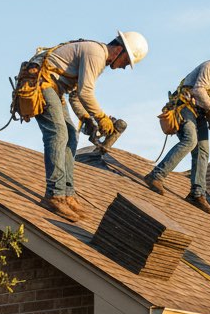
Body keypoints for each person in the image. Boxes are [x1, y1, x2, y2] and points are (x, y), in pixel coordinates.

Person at [31, 31, 148, 221]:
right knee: (58, 133)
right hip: (41, 82)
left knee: (70, 135)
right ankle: (54, 195)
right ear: (120, 50)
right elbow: (86, 93)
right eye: (127, 62)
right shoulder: (96, 54)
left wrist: (86, 119)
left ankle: (67, 194)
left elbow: (76, 95)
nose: (124, 67)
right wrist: (101, 118)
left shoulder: (97, 58)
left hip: (55, 88)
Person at [145, 46, 210, 214]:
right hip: (184, 107)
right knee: (190, 140)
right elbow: (198, 90)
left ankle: (197, 194)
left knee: (203, 150)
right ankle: (156, 176)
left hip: (199, 113)